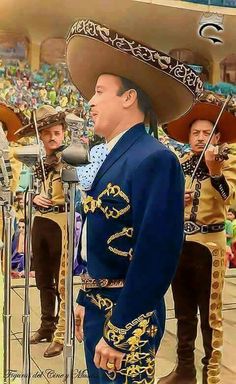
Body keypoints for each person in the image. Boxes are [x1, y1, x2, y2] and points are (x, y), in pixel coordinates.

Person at [66, 19, 202, 384]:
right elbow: (94, 237)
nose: (90, 101)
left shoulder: (153, 157)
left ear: (129, 98)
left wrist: (121, 330)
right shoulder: (111, 154)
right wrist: (84, 299)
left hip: (128, 314)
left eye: (100, 91)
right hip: (99, 304)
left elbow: (156, 253)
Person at [160, 92, 236, 384]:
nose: (201, 137)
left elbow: (231, 199)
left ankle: (212, 374)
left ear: (217, 137)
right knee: (183, 312)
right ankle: (185, 369)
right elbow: (166, 204)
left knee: (211, 315)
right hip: (182, 245)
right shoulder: (179, 163)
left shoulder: (228, 163)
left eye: (207, 133)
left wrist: (216, 172)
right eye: (196, 133)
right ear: (188, 137)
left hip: (211, 247)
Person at [17, 105, 67, 358]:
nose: (52, 138)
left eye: (56, 132)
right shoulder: (33, 161)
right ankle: (47, 325)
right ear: (40, 136)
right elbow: (21, 193)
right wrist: (33, 197)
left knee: (62, 279)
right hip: (40, 222)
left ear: (63, 133)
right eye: (47, 133)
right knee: (43, 278)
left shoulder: (73, 157)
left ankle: (62, 329)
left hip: (62, 222)